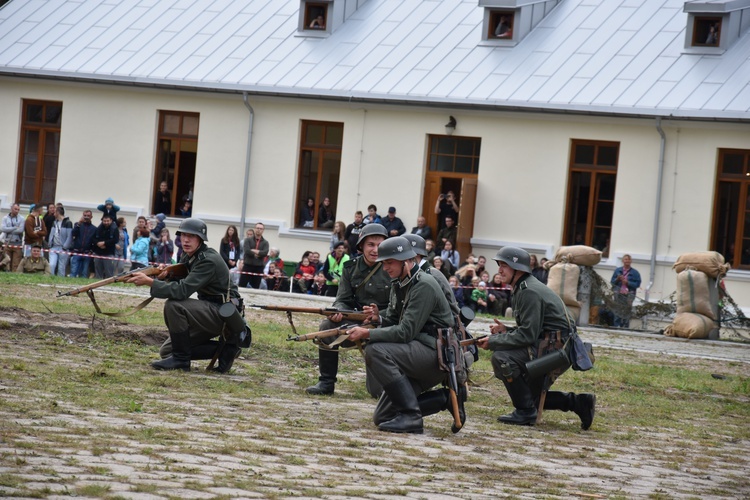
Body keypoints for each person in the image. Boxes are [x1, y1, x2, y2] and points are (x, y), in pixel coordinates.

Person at [346, 236, 465, 434]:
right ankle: (443, 399)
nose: (385, 268)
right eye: (384, 263)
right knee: (382, 417)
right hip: (417, 352)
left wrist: (367, 333)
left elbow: (405, 332)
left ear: (406, 261)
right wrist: (378, 319)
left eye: (389, 262)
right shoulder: (400, 282)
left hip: (434, 353)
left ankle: (411, 417)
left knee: (375, 350)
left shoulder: (424, 284)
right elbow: (395, 320)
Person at [476, 246, 595, 430]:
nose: (499, 270)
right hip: (551, 343)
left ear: (518, 269)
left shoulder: (528, 290)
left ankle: (525, 412)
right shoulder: (524, 286)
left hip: (556, 348)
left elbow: (527, 335)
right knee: (529, 396)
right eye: (499, 265)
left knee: (502, 358)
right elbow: (534, 328)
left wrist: (494, 342)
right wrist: (506, 330)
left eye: (504, 266)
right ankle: (578, 403)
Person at [126, 218, 245, 373]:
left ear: (200, 239)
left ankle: (181, 361)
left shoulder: (207, 260)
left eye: (192, 236)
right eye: (183, 235)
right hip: (210, 312)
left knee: (174, 305)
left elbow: (182, 291)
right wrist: (165, 276)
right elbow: (183, 278)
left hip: (223, 313)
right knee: (167, 352)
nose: (186, 240)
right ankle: (226, 349)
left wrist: (150, 282)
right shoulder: (190, 256)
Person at [305, 223, 391, 396]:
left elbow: (399, 306)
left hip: (386, 322)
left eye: (380, 245)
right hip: (356, 319)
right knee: (326, 327)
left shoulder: (392, 267)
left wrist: (378, 316)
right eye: (371, 245)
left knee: (378, 392)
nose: (375, 250)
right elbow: (343, 299)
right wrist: (339, 313)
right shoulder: (350, 268)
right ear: (361, 246)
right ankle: (326, 382)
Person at [610, 254, 641, 328]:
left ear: (631, 261)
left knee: (627, 309)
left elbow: (637, 284)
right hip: (618, 293)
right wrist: (617, 279)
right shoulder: (618, 270)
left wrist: (628, 283)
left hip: (629, 294)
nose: (627, 261)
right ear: (623, 261)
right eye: (626, 259)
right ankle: (616, 325)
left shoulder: (635, 273)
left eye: (629, 259)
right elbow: (612, 282)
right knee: (617, 309)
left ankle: (625, 326)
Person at [240, 222, 269, 289]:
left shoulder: (265, 242)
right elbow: (247, 251)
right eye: (257, 228)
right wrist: (258, 253)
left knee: (256, 287)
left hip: (258, 267)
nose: (259, 230)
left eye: (261, 228)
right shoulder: (247, 240)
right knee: (242, 285)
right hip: (248, 265)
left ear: (263, 230)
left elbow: (265, 253)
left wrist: (254, 251)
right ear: (255, 229)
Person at [47, 206, 73, 277]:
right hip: (54, 246)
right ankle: (51, 278)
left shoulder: (68, 223)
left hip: (63, 248)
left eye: (55, 212)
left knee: (61, 266)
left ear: (58, 213)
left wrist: (65, 247)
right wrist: (50, 244)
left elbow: (69, 236)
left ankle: (60, 280)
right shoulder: (54, 222)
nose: (53, 213)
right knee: (52, 264)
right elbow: (51, 234)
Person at [91, 214, 118, 279]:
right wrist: (97, 243)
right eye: (104, 221)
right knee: (98, 272)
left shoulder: (114, 229)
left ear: (111, 221)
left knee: (109, 273)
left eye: (107, 221)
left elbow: (115, 240)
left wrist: (104, 243)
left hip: (108, 254)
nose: (106, 222)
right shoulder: (98, 229)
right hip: (98, 253)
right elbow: (93, 238)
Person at [70, 210, 95, 278]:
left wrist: (91, 251)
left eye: (88, 216)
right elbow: (73, 233)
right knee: (73, 271)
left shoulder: (94, 228)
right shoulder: (77, 225)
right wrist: (79, 223)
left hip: (87, 253)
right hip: (77, 251)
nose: (86, 217)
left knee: (84, 273)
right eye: (85, 215)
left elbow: (95, 241)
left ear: (91, 217)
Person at [1, 203, 26, 272]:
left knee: (16, 263)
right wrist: (14, 228)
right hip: (7, 242)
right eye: (15, 209)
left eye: (18, 209)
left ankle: (14, 276)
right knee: (7, 262)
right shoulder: (5, 218)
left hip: (17, 243)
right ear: (11, 208)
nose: (17, 211)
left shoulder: (21, 218)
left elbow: (20, 230)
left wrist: (8, 229)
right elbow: (3, 229)